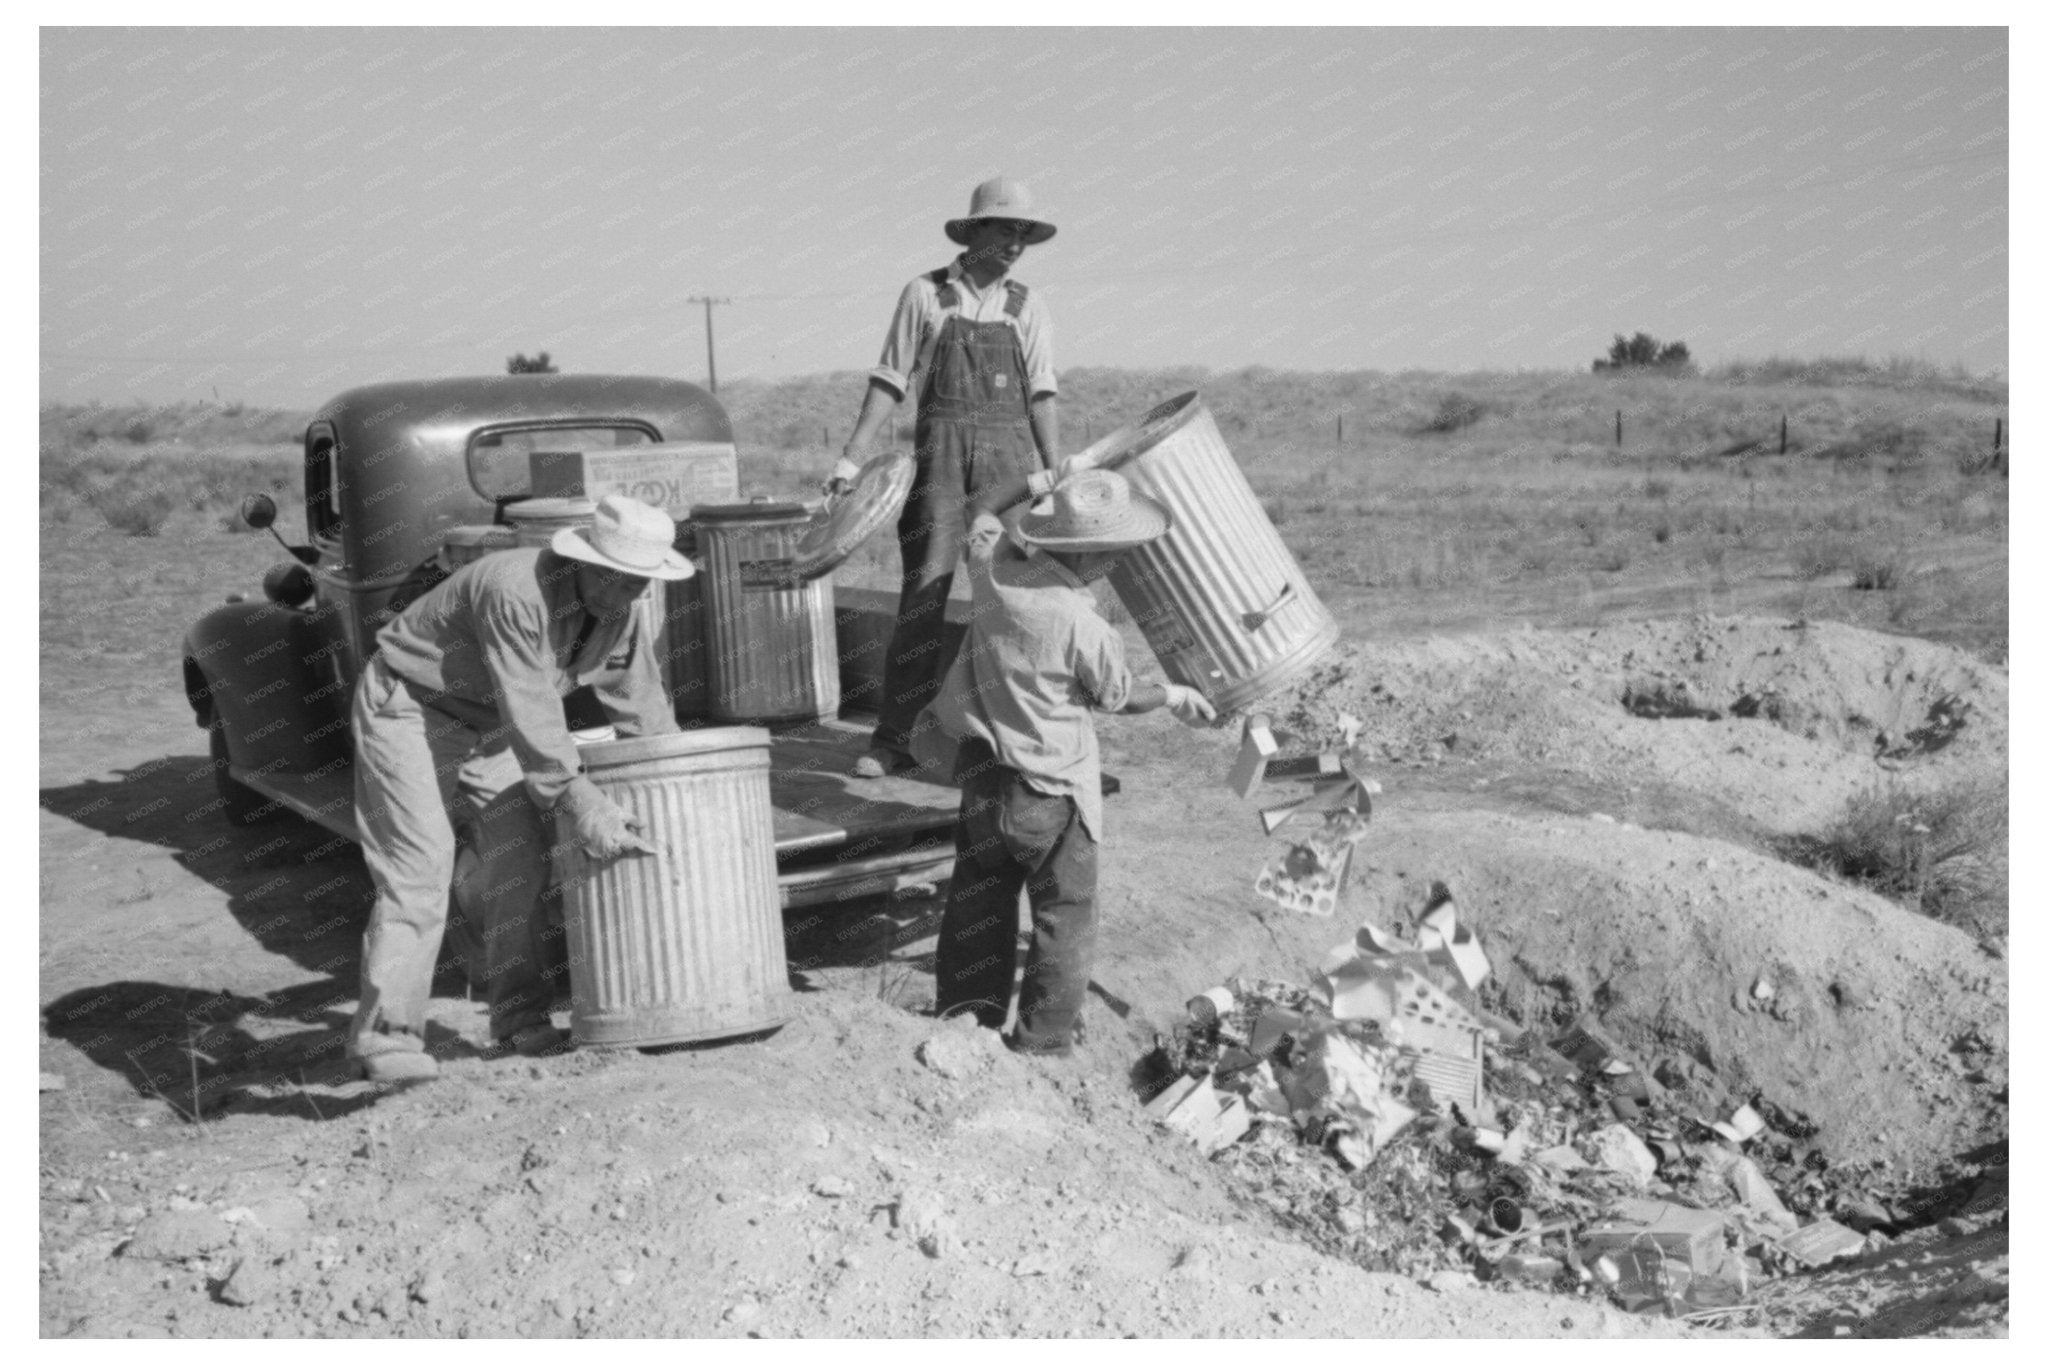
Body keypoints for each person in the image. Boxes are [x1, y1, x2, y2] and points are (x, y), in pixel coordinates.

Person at [346, 494, 692, 1085]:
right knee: (421, 868)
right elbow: (532, 706)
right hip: (411, 706)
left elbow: (644, 709)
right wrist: (579, 798)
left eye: (639, 582)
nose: (623, 593)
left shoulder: (622, 613)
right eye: (613, 577)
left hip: (494, 725)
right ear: (583, 559)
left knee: (524, 860)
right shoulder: (513, 588)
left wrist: (680, 795)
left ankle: (519, 1017)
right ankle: (387, 1038)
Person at [926, 471, 1216, 1056]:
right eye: (1114, 553)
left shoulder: (993, 573)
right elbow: (1118, 696)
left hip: (984, 780)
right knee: (1065, 918)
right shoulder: (1086, 626)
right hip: (1053, 794)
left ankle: (964, 1027)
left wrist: (1040, 479)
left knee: (979, 903)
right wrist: (1176, 696)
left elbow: (983, 507)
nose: (1117, 563)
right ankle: (1042, 1044)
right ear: (1094, 554)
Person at [826, 175, 1064, 779]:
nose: (1014, 243)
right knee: (924, 599)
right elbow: (889, 380)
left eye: (1023, 233)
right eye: (1004, 228)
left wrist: (1055, 474)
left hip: (1010, 469)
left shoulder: (1028, 305)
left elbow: (1042, 394)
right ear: (975, 229)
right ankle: (894, 739)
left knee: (1017, 604)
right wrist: (851, 458)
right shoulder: (926, 294)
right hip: (939, 464)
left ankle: (1018, 743)